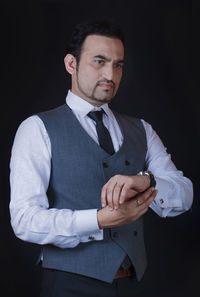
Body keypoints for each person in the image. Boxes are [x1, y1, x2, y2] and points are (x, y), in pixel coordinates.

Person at [9, 19, 193, 297]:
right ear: (71, 64)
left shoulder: (141, 129)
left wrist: (147, 181)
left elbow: (184, 195)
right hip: (69, 285)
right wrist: (98, 220)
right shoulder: (36, 129)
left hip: (133, 284)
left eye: (118, 64)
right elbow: (24, 220)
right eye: (99, 61)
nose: (110, 73)